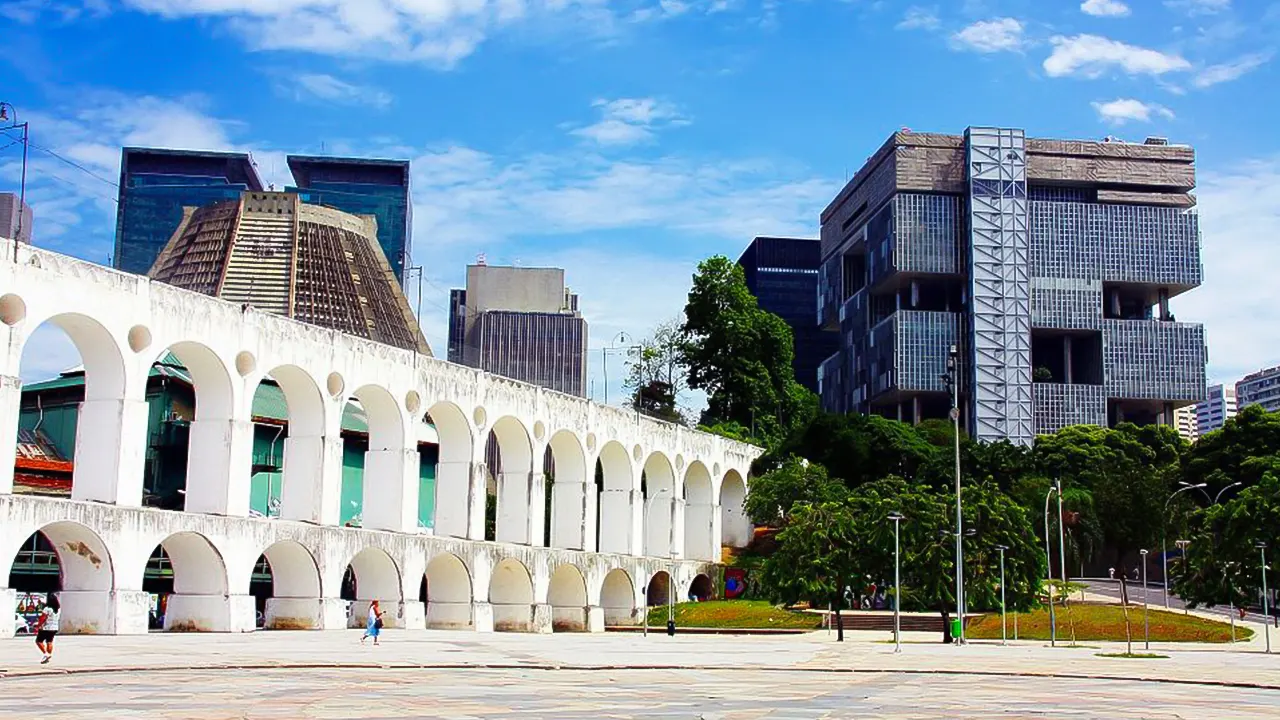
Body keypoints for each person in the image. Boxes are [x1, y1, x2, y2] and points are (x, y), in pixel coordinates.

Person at [34, 593, 60, 665]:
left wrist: (38, 625)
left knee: (38, 641)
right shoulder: (58, 609)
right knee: (49, 641)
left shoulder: (47, 609)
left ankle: (46, 654)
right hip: (54, 627)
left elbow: (43, 618)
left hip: (46, 627)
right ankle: (48, 656)